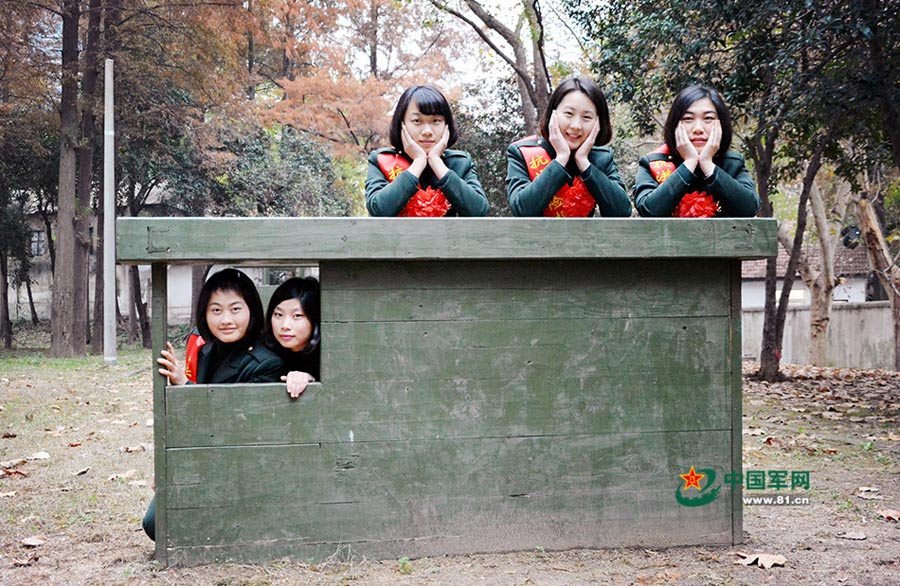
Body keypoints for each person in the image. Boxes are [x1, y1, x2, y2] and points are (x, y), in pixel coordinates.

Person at [143, 268, 283, 541]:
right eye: (216, 310)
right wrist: (166, 463)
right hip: (209, 453)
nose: (226, 319)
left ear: (252, 310)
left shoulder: (266, 362)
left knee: (163, 523)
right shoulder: (208, 349)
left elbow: (236, 424)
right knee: (155, 523)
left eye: (235, 309)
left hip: (242, 464)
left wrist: (184, 385)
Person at [506, 76, 632, 217]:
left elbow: (621, 212)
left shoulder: (602, 157)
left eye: (586, 117)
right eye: (569, 114)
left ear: (598, 122)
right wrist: (561, 159)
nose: (576, 126)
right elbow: (522, 210)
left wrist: (584, 163)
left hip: (585, 239)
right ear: (553, 114)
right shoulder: (522, 152)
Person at [633, 84, 760, 218]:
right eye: (688, 119)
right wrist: (689, 163)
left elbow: (749, 208)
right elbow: (649, 210)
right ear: (675, 124)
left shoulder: (732, 164)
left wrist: (707, 164)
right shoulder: (653, 163)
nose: (698, 128)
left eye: (708, 118)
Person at [366, 84, 490, 217]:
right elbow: (378, 209)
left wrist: (436, 162)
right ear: (402, 124)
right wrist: (418, 162)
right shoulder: (382, 160)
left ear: (446, 125)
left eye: (436, 121)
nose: (427, 131)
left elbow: (479, 211)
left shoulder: (460, 163)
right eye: (417, 121)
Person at [262, 277, 321, 399]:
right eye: (278, 315)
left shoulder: (327, 353)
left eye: (297, 316)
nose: (285, 326)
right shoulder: (263, 353)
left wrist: (311, 379)